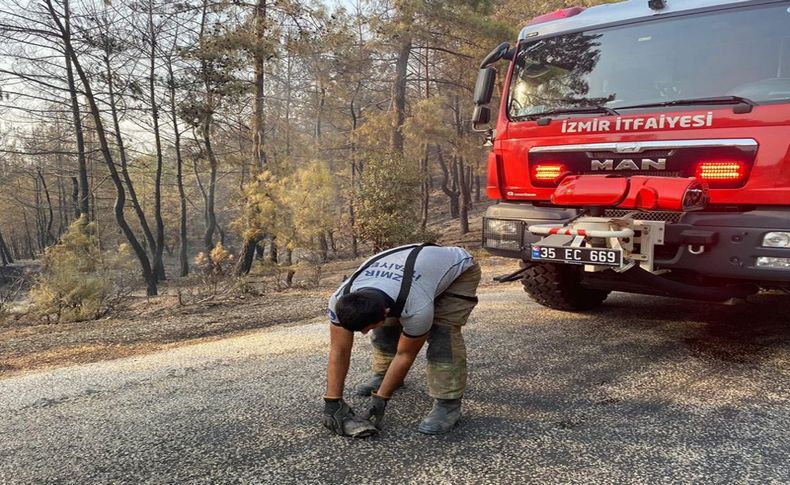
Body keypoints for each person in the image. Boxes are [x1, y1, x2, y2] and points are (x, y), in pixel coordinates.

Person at [322, 243, 481, 437]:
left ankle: (448, 404)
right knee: (384, 330)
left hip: (458, 271)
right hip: (407, 273)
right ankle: (384, 376)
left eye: (367, 329)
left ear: (386, 311)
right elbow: (339, 349)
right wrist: (332, 401)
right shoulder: (339, 298)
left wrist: (382, 399)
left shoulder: (417, 308)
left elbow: (405, 354)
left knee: (442, 337)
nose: (364, 334)